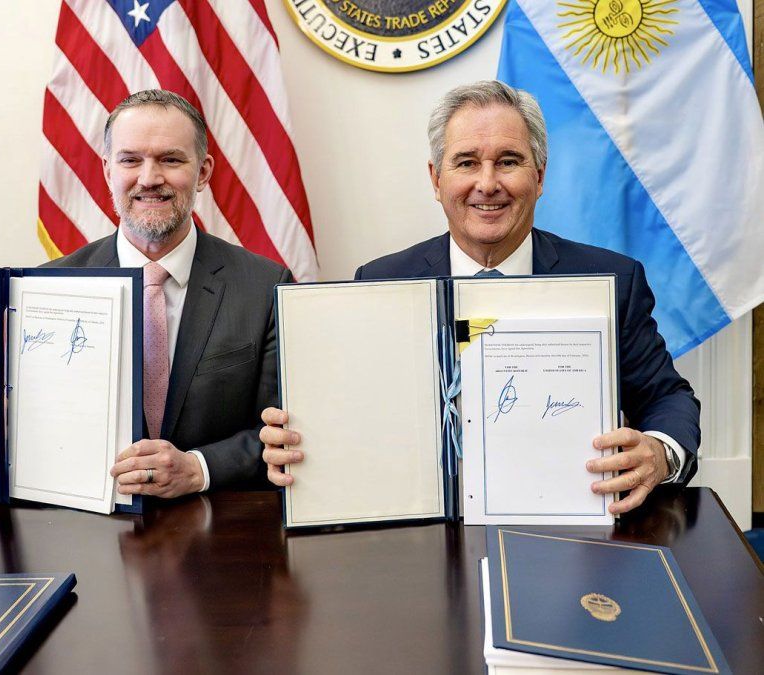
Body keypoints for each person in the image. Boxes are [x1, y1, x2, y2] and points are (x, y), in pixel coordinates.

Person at [0, 90, 290, 504]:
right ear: (107, 170)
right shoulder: (43, 289)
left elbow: (283, 432)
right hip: (80, 528)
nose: (149, 178)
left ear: (203, 172)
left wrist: (198, 468)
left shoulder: (264, 286)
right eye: (130, 160)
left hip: (219, 523)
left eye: (170, 159)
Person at [261, 80, 699, 515]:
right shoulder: (381, 282)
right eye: (467, 163)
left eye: (508, 161)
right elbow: (355, 412)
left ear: (539, 177)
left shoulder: (611, 279)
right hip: (423, 528)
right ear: (436, 179)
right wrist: (303, 446)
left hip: (565, 523)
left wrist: (660, 454)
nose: (487, 184)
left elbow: (667, 397)